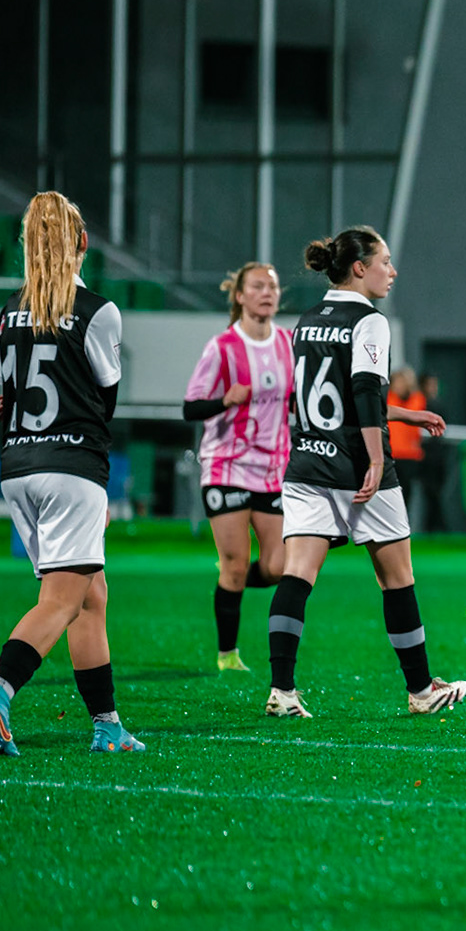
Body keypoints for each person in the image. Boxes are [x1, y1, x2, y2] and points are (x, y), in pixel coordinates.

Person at [0, 190, 143, 755]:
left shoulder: (9, 310)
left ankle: (107, 725)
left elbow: (8, 393)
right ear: (83, 242)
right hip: (71, 468)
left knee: (91, 596)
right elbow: (103, 400)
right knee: (61, 601)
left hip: (18, 465)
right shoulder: (98, 311)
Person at [261, 225, 463, 718]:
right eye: (384, 262)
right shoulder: (369, 320)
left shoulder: (307, 320)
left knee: (297, 575)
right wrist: (375, 459)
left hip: (308, 462)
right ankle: (421, 691)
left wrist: (406, 414)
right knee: (397, 579)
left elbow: (331, 396)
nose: (391, 272)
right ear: (359, 267)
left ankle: (281, 691)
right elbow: (365, 391)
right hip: (357, 468)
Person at [181, 261, 294, 672]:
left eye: (272, 287)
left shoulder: (289, 344)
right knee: (234, 565)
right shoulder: (222, 347)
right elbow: (190, 407)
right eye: (258, 286)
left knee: (279, 567)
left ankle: (229, 579)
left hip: (273, 469)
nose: (267, 293)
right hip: (226, 466)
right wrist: (225, 400)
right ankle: (228, 655)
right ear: (241, 296)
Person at [389, 366, 429, 525]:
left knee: (406, 493)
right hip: (391, 453)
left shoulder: (417, 399)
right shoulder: (388, 398)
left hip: (410, 454)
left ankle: (402, 524)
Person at [415, 373, 454, 533]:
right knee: (430, 493)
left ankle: (435, 527)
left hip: (438, 457)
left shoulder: (439, 406)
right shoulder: (419, 404)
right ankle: (437, 527)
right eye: (430, 384)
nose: (434, 388)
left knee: (436, 493)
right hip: (424, 457)